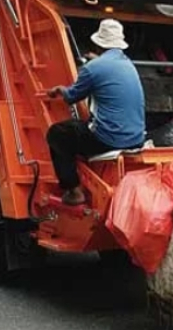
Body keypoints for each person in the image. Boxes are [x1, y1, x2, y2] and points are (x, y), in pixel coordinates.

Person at [46, 19, 145, 205]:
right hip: (137, 137)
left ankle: (74, 191)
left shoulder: (92, 68)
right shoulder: (129, 65)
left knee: (57, 134)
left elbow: (71, 97)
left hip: (109, 139)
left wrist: (60, 89)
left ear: (98, 44)